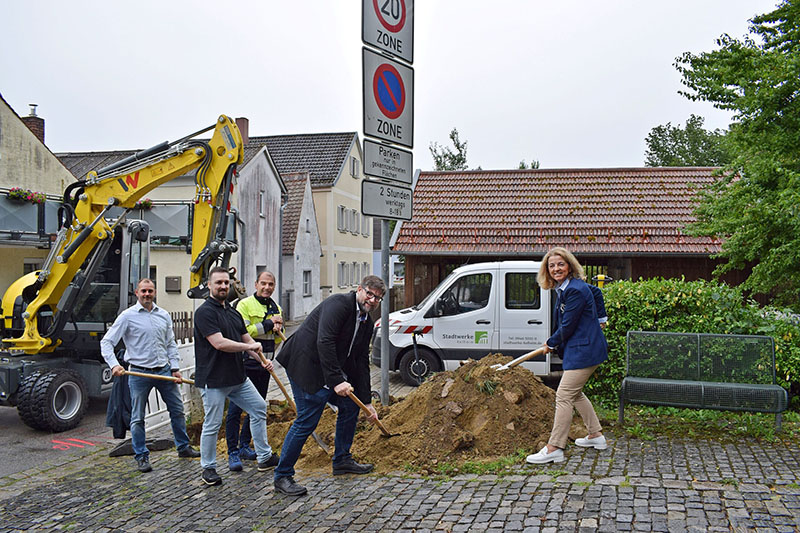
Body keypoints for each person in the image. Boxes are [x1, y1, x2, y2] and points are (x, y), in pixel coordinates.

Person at [273, 275, 386, 496]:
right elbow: (324, 341)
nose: (372, 300)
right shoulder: (339, 304)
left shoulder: (366, 321)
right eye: (370, 294)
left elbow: (361, 360)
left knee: (351, 407)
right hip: (304, 364)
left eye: (378, 298)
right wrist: (336, 381)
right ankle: (282, 476)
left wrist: (367, 402)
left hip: (327, 369)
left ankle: (342, 459)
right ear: (359, 289)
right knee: (308, 419)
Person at [100, 278, 200, 473]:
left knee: (178, 411)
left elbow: (170, 343)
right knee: (137, 417)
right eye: (143, 291)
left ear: (155, 293)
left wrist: (175, 367)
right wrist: (114, 365)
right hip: (138, 372)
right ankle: (141, 456)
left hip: (163, 370)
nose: (147, 294)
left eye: (150, 291)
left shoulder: (163, 315)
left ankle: (183, 447)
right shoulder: (127, 316)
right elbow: (106, 342)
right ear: (137, 293)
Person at [194, 266, 279, 486]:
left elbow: (247, 339)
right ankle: (208, 468)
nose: (223, 286)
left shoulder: (232, 312)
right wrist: (247, 346)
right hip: (213, 380)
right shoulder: (204, 312)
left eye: (226, 282)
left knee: (259, 408)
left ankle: (264, 456)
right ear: (210, 286)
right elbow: (219, 343)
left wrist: (260, 357)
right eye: (218, 283)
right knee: (212, 424)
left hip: (238, 378)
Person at [526, 248, 609, 464]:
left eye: (560, 264)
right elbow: (597, 293)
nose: (556, 269)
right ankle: (596, 435)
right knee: (575, 393)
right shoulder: (567, 287)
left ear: (569, 266)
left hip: (585, 349)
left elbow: (568, 325)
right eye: (551, 266)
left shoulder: (575, 290)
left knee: (563, 395)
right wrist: (601, 317)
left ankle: (555, 447)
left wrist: (551, 342)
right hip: (582, 348)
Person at [225, 270, 284, 471]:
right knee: (235, 409)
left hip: (265, 364)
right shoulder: (244, 305)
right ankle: (232, 451)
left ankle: (244, 445)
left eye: (271, 284)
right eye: (263, 284)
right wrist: (268, 324)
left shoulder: (277, 308)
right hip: (246, 363)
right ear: (256, 284)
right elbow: (244, 332)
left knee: (257, 408)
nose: (267, 288)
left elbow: (276, 339)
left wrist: (278, 331)